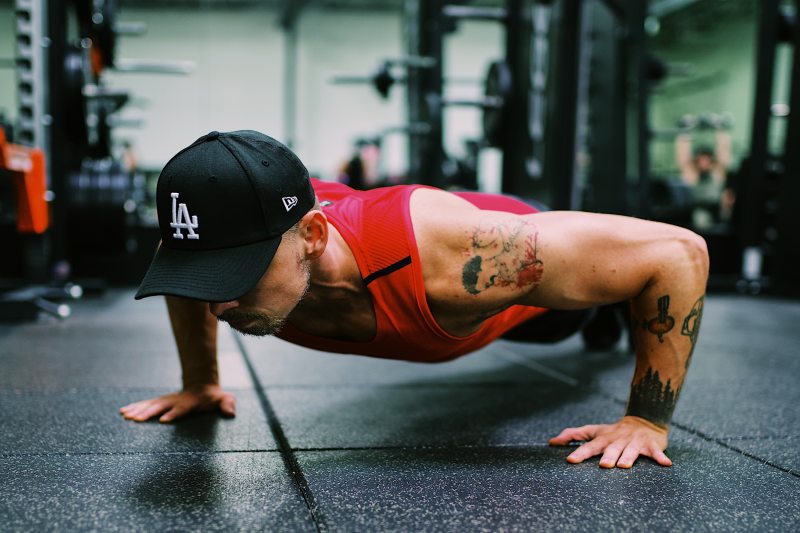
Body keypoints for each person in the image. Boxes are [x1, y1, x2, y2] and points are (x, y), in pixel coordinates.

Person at [122, 130, 708, 470]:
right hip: (441, 283)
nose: (218, 304)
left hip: (515, 274)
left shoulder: (454, 262)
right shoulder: (237, 243)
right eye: (206, 277)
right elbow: (188, 272)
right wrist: (200, 380)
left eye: (237, 276)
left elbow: (678, 253)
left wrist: (645, 419)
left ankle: (607, 312)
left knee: (581, 311)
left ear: (313, 238)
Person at [675, 115, 735, 228]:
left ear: (711, 159)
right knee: (700, 218)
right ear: (696, 160)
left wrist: (720, 129)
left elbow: (724, 154)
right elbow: (682, 157)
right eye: (701, 159)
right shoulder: (692, 174)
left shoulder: (717, 172)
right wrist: (685, 132)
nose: (704, 162)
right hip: (697, 214)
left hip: (719, 212)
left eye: (707, 158)